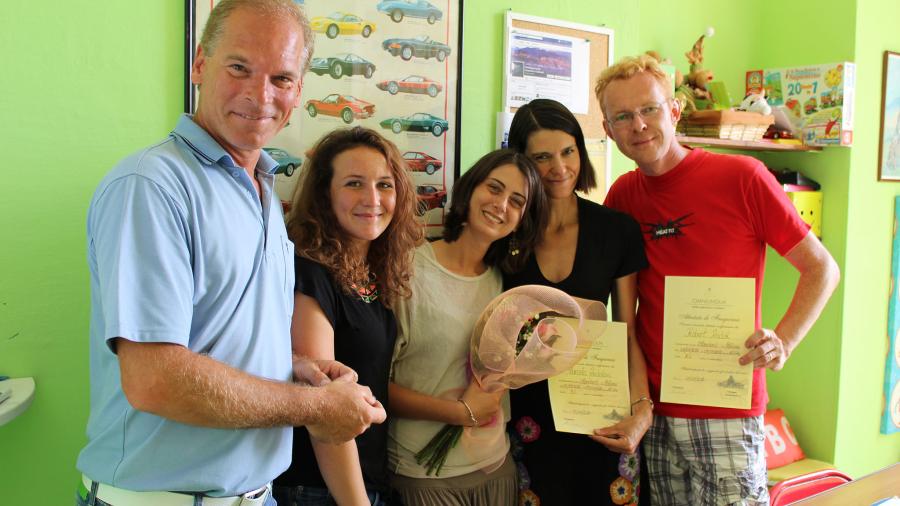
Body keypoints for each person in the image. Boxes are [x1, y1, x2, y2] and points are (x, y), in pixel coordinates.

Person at [76, 2, 386, 505]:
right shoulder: (151, 185)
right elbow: (155, 379)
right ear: (200, 64)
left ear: (298, 92)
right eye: (240, 67)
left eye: (281, 78)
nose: (260, 95)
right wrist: (312, 407)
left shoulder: (262, 190)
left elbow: (216, 338)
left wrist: (294, 367)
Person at [597, 54, 840, 505]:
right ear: (608, 130)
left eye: (649, 109)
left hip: (727, 408)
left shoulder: (743, 177)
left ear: (674, 111)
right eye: (623, 117)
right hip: (651, 410)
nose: (639, 125)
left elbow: (822, 268)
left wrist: (784, 341)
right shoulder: (623, 196)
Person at [504, 98, 653, 505]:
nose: (559, 167)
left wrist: (641, 411)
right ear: (521, 162)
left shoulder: (616, 230)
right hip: (526, 419)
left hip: (600, 415)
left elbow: (626, 332)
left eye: (568, 151)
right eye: (542, 157)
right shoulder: (506, 232)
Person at [388, 149, 547, 505]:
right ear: (470, 188)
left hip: (496, 467)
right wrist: (460, 413)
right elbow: (374, 385)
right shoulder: (408, 271)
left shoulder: (506, 284)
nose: (501, 205)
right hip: (424, 475)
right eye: (494, 188)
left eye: (517, 201)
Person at [274, 127, 422, 506]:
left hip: (365, 481)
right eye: (354, 183)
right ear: (325, 194)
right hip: (320, 490)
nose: (372, 199)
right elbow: (325, 411)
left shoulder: (372, 273)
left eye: (384, 185)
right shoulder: (310, 273)